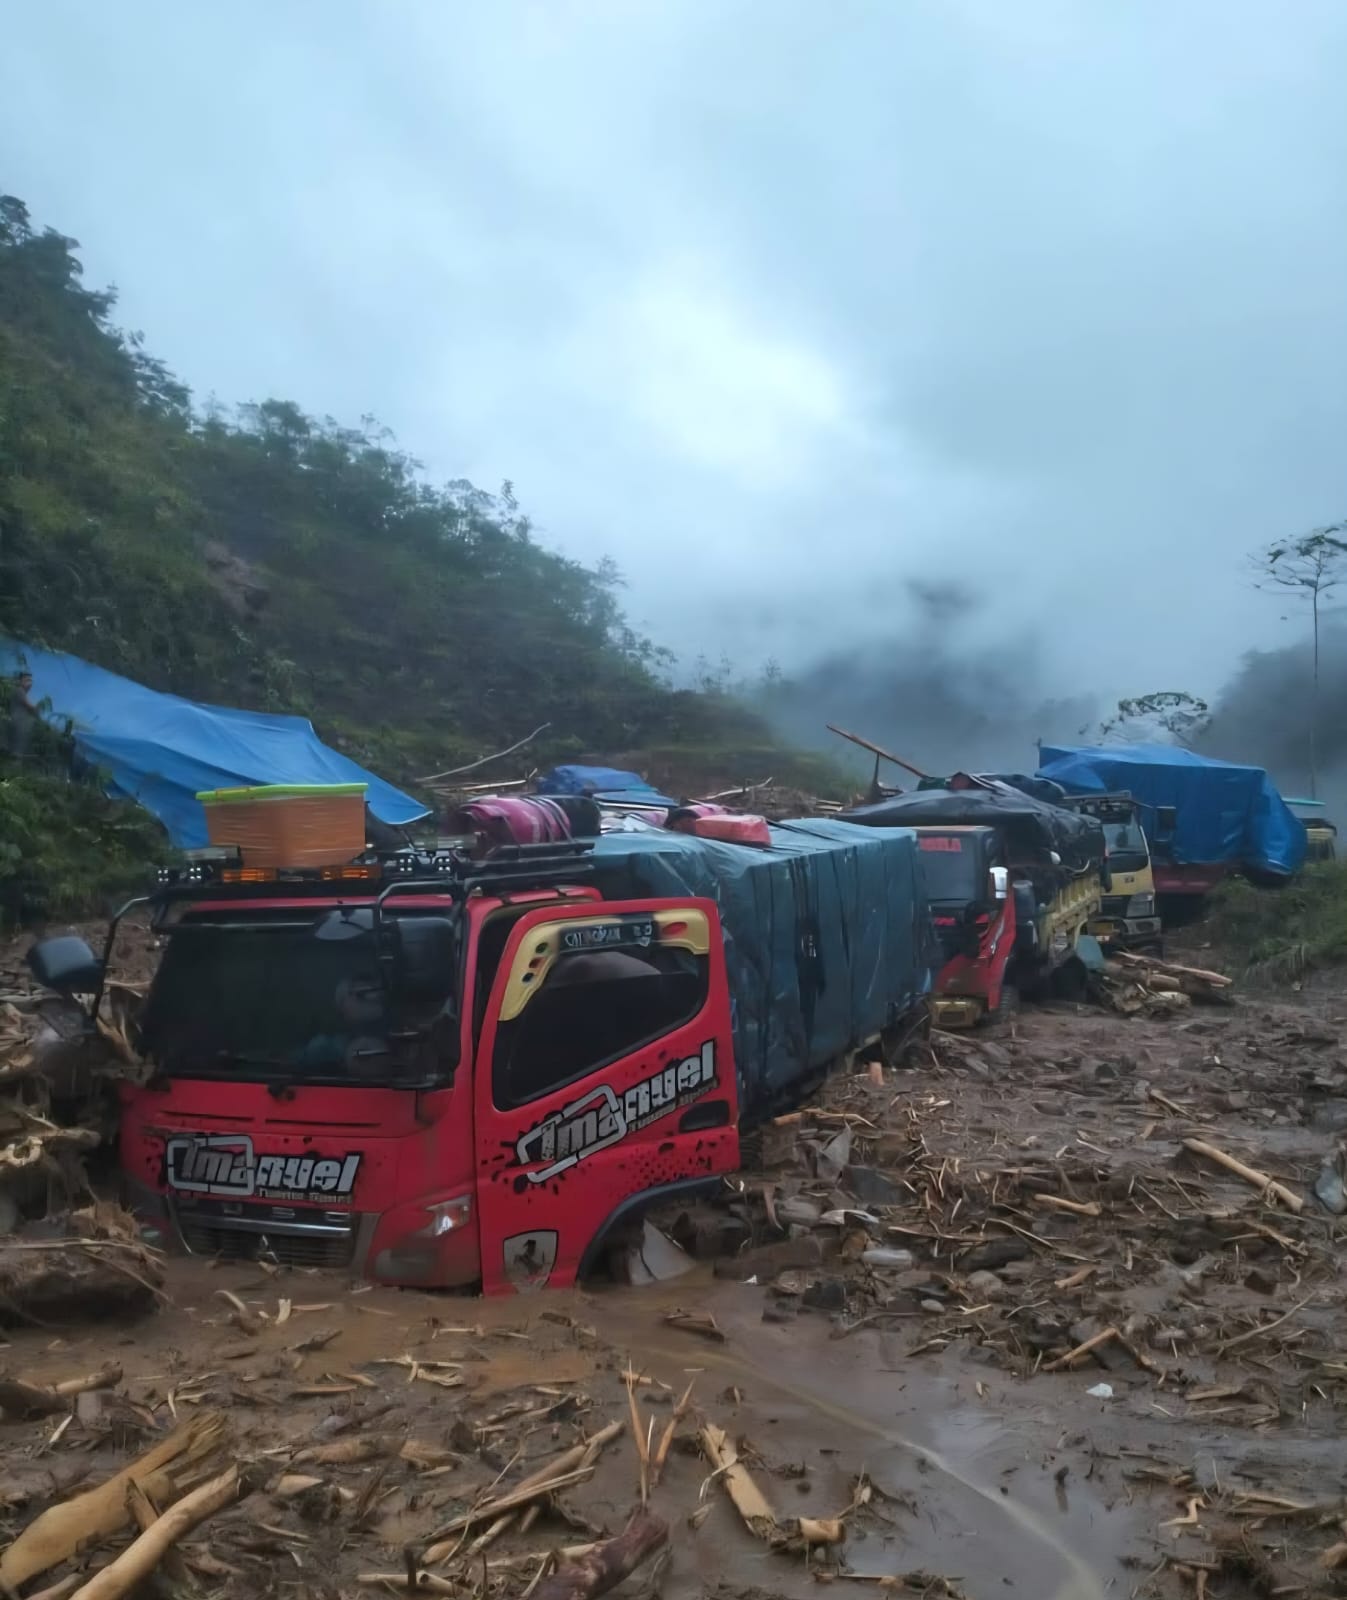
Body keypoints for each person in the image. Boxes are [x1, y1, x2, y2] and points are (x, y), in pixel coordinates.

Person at [6, 671, 38, 760]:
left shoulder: (21, 691)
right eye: (27, 680)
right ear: (20, 681)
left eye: (31, 681)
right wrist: (37, 708)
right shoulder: (20, 690)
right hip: (18, 722)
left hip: (18, 721)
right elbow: (29, 706)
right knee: (17, 750)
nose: (29, 683)